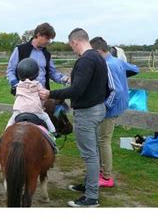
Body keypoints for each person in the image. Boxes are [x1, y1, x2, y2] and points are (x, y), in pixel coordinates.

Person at [39, 28, 109, 207]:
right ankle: (88, 185)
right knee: (93, 150)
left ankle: (91, 197)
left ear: (76, 42)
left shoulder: (86, 60)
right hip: (97, 109)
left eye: (71, 46)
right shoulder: (98, 58)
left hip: (87, 112)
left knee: (90, 154)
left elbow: (77, 89)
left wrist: (50, 93)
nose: (72, 50)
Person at [90, 37, 139, 188]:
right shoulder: (117, 61)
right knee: (102, 139)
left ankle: (106, 177)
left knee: (103, 141)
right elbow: (135, 69)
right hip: (121, 106)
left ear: (98, 51)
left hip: (111, 109)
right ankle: (101, 170)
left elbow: (115, 90)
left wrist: (105, 107)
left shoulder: (107, 65)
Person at [6, 22, 69, 96]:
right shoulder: (20, 50)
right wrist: (16, 85)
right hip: (24, 95)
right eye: (47, 38)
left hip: (42, 95)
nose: (49, 41)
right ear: (38, 35)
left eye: (50, 39)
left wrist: (65, 79)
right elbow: (10, 70)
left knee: (61, 105)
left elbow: (53, 73)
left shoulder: (47, 54)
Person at [4, 58, 56, 134]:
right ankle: (53, 132)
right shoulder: (38, 85)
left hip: (19, 111)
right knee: (46, 117)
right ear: (36, 73)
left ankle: (4, 134)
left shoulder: (18, 85)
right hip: (35, 111)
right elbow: (43, 97)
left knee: (11, 121)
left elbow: (17, 97)